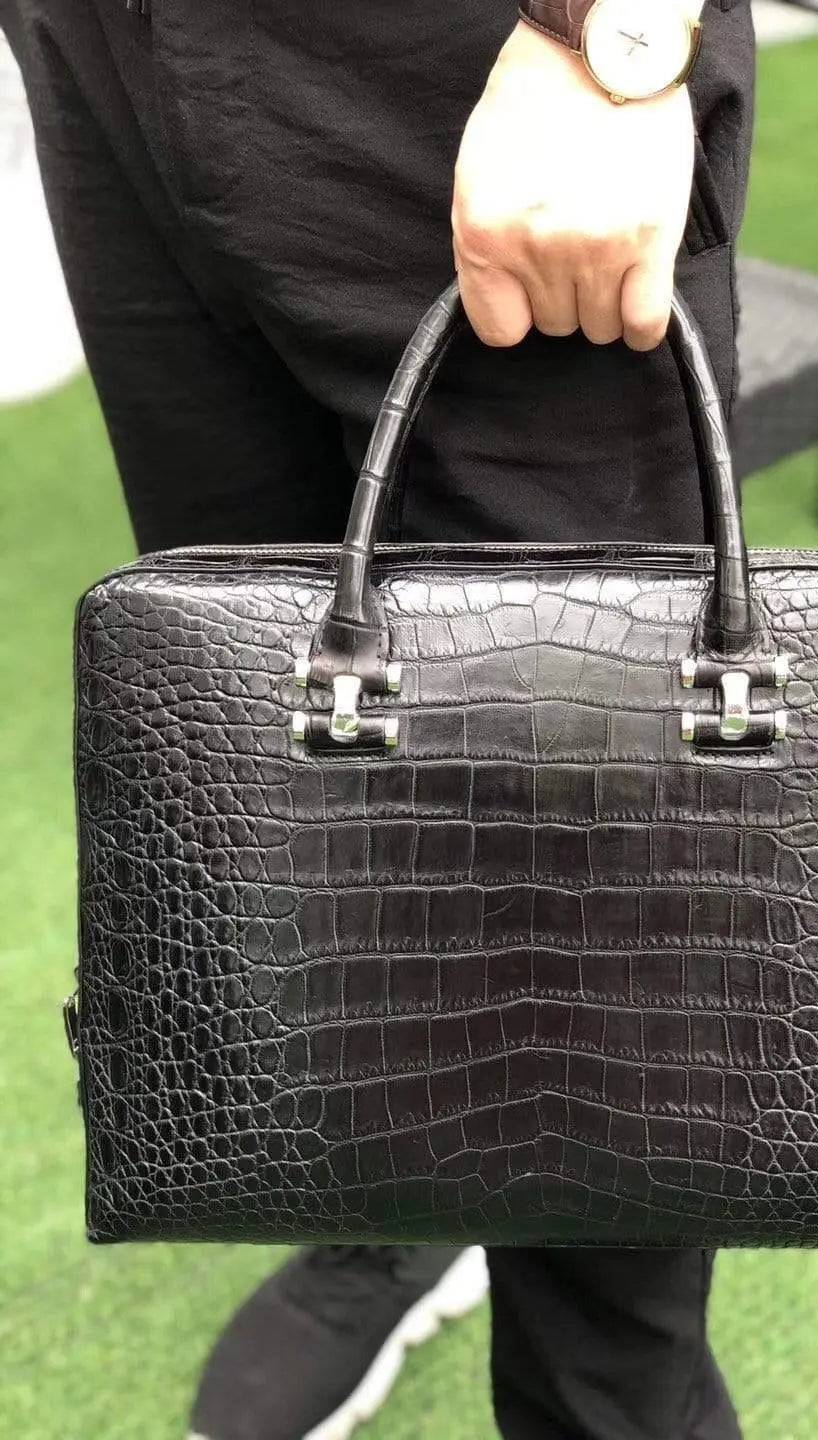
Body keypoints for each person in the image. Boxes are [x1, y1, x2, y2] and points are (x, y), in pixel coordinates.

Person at [3, 1, 753, 1436]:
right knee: (291, 755)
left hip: (480, 55)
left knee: (588, 865)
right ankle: (391, 1202)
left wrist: (611, 39)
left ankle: (613, 1400)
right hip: (111, 48)